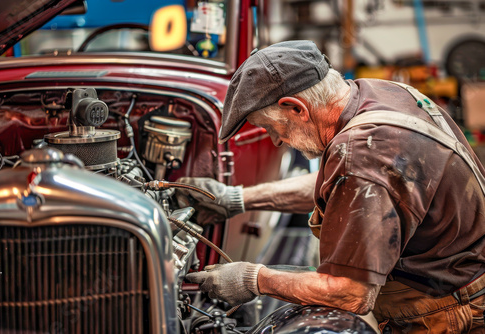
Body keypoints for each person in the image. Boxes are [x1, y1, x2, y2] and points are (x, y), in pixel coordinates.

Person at [184, 40, 485, 333]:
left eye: (272, 127)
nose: (276, 140)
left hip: (452, 315)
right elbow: (350, 188)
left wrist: (253, 279)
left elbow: (349, 293)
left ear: (296, 108)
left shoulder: (364, 151)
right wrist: (236, 198)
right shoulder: (377, 94)